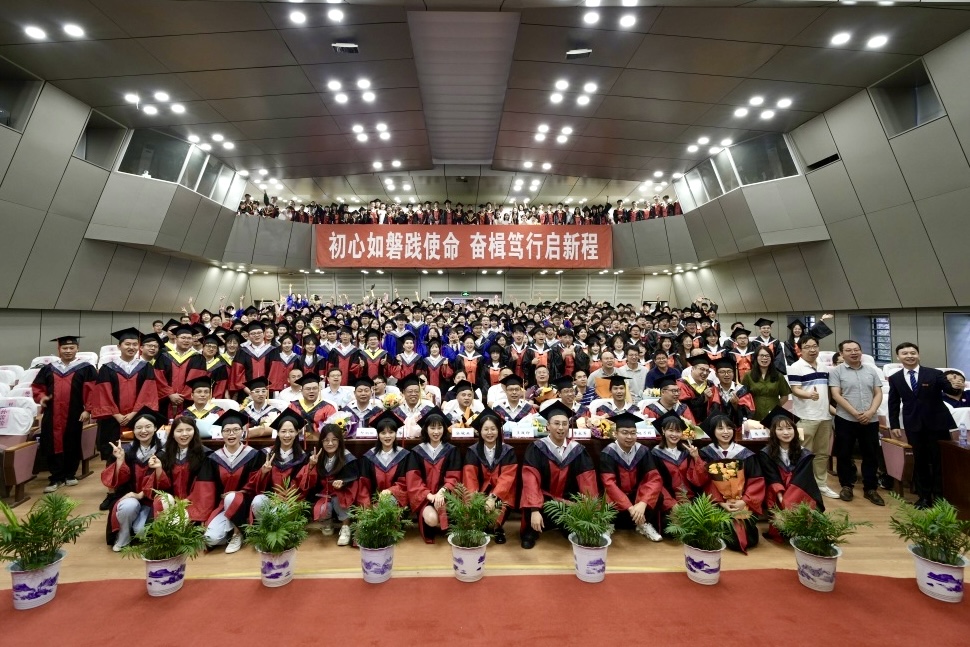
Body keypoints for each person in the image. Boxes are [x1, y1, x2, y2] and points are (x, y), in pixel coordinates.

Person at [91, 328, 159, 511]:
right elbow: (102, 393)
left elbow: (148, 392)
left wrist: (134, 413)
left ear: (139, 347)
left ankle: (137, 489)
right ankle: (112, 493)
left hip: (139, 420)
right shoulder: (107, 368)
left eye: (134, 344)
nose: (131, 347)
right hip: (112, 421)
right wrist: (117, 415)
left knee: (139, 455)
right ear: (119, 346)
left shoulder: (145, 367)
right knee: (113, 455)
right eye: (127, 344)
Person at [519, 401, 599, 549]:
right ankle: (531, 530)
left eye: (564, 424)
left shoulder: (578, 450)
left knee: (575, 534)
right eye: (556, 423)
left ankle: (564, 526)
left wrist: (591, 510)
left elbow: (588, 481)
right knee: (532, 508)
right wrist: (535, 510)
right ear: (548, 426)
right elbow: (530, 480)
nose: (561, 428)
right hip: (543, 501)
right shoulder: (537, 448)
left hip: (568, 503)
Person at [888, 342, 958, 508]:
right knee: (920, 461)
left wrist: (955, 388)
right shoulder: (896, 378)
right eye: (905, 353)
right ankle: (924, 497)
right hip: (913, 424)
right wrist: (894, 424)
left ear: (918, 355)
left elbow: (950, 390)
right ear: (898, 357)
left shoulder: (934, 373)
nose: (909, 356)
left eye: (913, 353)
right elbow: (893, 402)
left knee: (939, 461)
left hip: (937, 424)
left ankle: (941, 498)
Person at [31, 335, 97, 493]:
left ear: (77, 349)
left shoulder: (86, 368)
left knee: (72, 441)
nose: (68, 351)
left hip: (75, 411)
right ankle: (55, 477)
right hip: (52, 413)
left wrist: (88, 410)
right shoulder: (49, 368)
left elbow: (93, 390)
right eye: (64, 348)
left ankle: (69, 474)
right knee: (51, 443)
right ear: (59, 349)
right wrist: (42, 397)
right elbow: (38, 387)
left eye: (71, 348)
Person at [696, 413, 765, 554]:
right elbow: (705, 483)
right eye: (720, 428)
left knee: (750, 538)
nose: (726, 432)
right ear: (713, 431)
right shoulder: (706, 454)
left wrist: (744, 501)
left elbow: (756, 481)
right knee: (727, 535)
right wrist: (721, 503)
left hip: (742, 502)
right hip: (717, 504)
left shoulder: (745, 454)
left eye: (729, 428)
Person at [829, 340, 885, 506]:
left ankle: (871, 488)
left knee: (871, 454)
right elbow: (836, 395)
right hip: (846, 419)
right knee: (844, 454)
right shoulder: (836, 372)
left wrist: (870, 412)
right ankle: (846, 486)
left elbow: (878, 393)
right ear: (841, 354)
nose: (853, 353)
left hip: (870, 419)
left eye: (856, 349)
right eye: (849, 350)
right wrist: (854, 413)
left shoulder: (871, 370)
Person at [757, 407, 824, 543]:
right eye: (780, 429)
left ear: (795, 430)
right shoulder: (766, 454)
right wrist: (783, 500)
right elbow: (773, 478)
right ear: (773, 432)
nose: (786, 432)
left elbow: (803, 481)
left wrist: (790, 502)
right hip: (778, 493)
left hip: (799, 493)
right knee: (783, 528)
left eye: (789, 428)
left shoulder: (804, 454)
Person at [786, 335, 840, 499]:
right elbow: (795, 389)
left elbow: (828, 393)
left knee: (822, 453)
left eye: (815, 346)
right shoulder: (796, 367)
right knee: (804, 453)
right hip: (806, 417)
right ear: (800, 350)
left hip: (825, 417)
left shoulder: (824, 367)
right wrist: (809, 395)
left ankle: (821, 484)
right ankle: (803, 484)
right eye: (807, 347)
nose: (812, 350)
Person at [204, 410, 264, 554]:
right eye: (227, 431)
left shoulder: (254, 455)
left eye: (236, 430)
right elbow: (206, 489)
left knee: (232, 497)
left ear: (242, 432)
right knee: (210, 539)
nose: (231, 434)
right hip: (224, 506)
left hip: (247, 505)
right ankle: (233, 531)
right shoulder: (214, 458)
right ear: (221, 433)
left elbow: (258, 484)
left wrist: (239, 493)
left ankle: (238, 533)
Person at [101, 407, 161, 552]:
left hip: (152, 499)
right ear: (133, 430)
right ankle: (124, 535)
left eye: (148, 427)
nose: (143, 431)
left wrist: (141, 494)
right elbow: (117, 481)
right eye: (138, 427)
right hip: (129, 496)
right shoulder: (126, 451)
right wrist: (120, 460)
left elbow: (164, 481)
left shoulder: (162, 451)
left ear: (155, 428)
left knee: (141, 531)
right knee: (128, 506)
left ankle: (137, 527)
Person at [598, 411, 663, 541]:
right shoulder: (608, 453)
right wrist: (630, 507)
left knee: (658, 495)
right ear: (616, 434)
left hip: (636, 497)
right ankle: (608, 524)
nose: (629, 437)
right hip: (616, 499)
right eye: (625, 432)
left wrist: (643, 502)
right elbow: (609, 483)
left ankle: (643, 524)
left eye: (633, 433)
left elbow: (654, 479)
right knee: (606, 496)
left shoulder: (643, 451)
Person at [405, 407, 462, 543]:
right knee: (431, 519)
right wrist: (430, 496)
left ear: (444, 429)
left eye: (439, 427)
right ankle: (432, 523)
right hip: (425, 498)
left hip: (446, 496)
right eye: (432, 428)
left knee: (456, 511)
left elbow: (454, 477)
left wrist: (442, 492)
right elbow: (414, 480)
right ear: (426, 429)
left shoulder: (451, 451)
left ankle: (448, 525)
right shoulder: (417, 452)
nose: (436, 432)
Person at [142, 416, 214, 522]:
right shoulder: (163, 455)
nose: (184, 434)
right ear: (173, 434)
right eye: (179, 431)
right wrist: (158, 469)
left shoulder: (205, 455)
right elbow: (158, 489)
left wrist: (185, 501)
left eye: (188, 430)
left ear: (195, 432)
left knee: (175, 523)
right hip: (169, 502)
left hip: (193, 503)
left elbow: (205, 488)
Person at [463, 406, 518, 544]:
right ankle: (480, 527)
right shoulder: (473, 451)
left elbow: (507, 478)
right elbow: (470, 478)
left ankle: (497, 528)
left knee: (494, 518)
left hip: (500, 493)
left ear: (498, 430)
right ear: (480, 431)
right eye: (486, 429)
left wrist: (493, 497)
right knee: (476, 516)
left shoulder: (508, 451)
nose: (489, 433)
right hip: (479, 493)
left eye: (493, 429)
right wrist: (475, 501)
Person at [297, 424, 358, 545]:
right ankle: (327, 522)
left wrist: (343, 483)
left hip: (341, 494)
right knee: (322, 507)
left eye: (334, 439)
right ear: (321, 441)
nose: (330, 443)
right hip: (323, 495)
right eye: (326, 440)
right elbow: (308, 482)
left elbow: (353, 479)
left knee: (339, 498)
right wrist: (311, 465)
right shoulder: (316, 457)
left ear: (340, 441)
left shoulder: (348, 458)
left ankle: (345, 527)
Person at [249, 409, 310, 519]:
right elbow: (253, 484)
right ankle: (264, 525)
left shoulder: (302, 458)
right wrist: (263, 472)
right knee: (258, 501)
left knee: (277, 513)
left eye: (291, 431)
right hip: (270, 499)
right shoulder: (266, 454)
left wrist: (284, 498)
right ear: (277, 432)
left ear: (297, 432)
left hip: (290, 501)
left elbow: (301, 486)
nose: (287, 435)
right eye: (283, 431)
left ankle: (268, 527)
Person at [357, 410, 410, 508]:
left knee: (388, 501)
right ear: (378, 435)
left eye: (391, 432)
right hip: (373, 506)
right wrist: (367, 509)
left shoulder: (404, 456)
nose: (387, 436)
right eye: (383, 433)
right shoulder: (369, 457)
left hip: (397, 504)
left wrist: (390, 491)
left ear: (396, 433)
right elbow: (363, 487)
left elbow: (406, 484)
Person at [741, 345, 791, 420]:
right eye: (761, 355)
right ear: (756, 357)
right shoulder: (748, 376)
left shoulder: (778, 376)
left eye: (767, 356)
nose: (764, 358)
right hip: (754, 414)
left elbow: (784, 396)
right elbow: (743, 396)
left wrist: (776, 407)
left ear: (771, 358)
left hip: (774, 414)